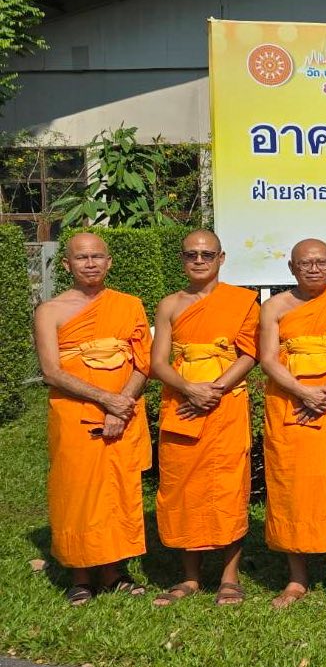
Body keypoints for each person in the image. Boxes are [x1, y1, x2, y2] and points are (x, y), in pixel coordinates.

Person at [34, 233, 152, 604]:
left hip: (124, 412)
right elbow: (51, 372)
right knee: (77, 492)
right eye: (81, 257)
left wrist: (122, 404)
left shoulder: (129, 305)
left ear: (109, 262)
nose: (90, 263)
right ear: (67, 264)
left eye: (97, 256)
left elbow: (142, 363)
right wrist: (106, 400)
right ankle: (80, 574)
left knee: (118, 491)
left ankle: (116, 571)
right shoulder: (49, 311)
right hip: (73, 414)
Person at [149, 230, 259, 607]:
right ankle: (190, 577)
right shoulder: (169, 305)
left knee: (229, 486)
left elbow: (249, 353)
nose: (199, 260)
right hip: (181, 404)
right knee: (183, 487)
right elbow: (157, 362)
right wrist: (188, 388)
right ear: (182, 259)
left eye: (206, 254)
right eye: (191, 254)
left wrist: (213, 389)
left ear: (221, 258)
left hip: (225, 404)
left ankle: (230, 577)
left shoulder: (243, 302)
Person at [257, 238, 326, 609]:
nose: (314, 269)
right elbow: (268, 359)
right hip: (288, 406)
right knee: (289, 487)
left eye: (320, 262)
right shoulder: (274, 307)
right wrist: (304, 392)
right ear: (291, 268)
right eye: (305, 263)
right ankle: (297, 577)